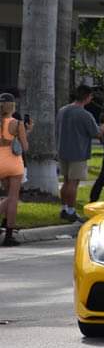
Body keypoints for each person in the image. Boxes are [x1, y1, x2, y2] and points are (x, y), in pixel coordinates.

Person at [56, 84, 104, 222]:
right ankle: (71, 210)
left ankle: (64, 208)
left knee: (65, 181)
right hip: (78, 152)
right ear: (88, 97)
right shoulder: (84, 114)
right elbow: (97, 133)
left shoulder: (62, 110)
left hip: (62, 150)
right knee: (73, 183)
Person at [0, 93, 29, 246]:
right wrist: (27, 131)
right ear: (12, 106)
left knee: (7, 196)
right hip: (13, 164)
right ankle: (9, 236)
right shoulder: (17, 124)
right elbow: (25, 147)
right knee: (13, 199)